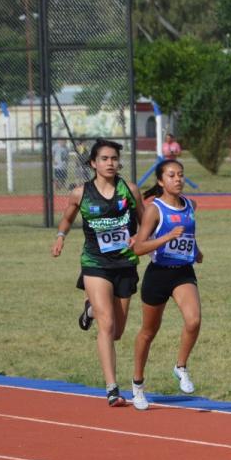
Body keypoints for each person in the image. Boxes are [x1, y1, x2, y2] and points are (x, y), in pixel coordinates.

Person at [51, 139, 144, 407]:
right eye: (104, 159)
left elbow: (146, 219)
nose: (110, 163)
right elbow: (68, 218)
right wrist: (60, 236)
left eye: (114, 158)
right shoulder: (80, 193)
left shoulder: (130, 190)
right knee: (107, 324)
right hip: (95, 263)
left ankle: (89, 309)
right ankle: (112, 388)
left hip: (125, 264)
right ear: (93, 163)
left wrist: (139, 236)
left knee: (117, 332)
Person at [128, 159, 203, 411]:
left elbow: (188, 235)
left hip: (182, 272)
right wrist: (166, 238)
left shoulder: (190, 205)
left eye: (181, 175)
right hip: (158, 274)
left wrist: (196, 251)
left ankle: (180, 366)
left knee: (193, 320)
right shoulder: (154, 210)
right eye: (171, 175)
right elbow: (139, 247)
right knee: (148, 332)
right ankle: (137, 384)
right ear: (161, 181)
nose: (178, 179)